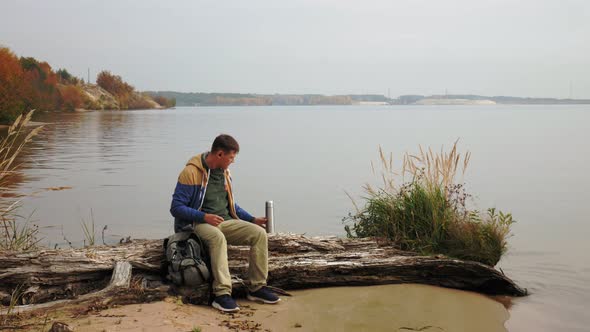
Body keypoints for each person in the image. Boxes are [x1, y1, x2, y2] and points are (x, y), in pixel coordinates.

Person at [170, 134, 280, 312]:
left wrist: (252, 219)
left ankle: (257, 288)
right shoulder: (191, 172)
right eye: (231, 157)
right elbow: (176, 207)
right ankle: (222, 294)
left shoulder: (225, 173)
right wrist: (204, 217)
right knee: (217, 237)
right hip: (196, 224)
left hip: (224, 221)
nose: (233, 161)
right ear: (220, 154)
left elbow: (230, 204)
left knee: (258, 233)